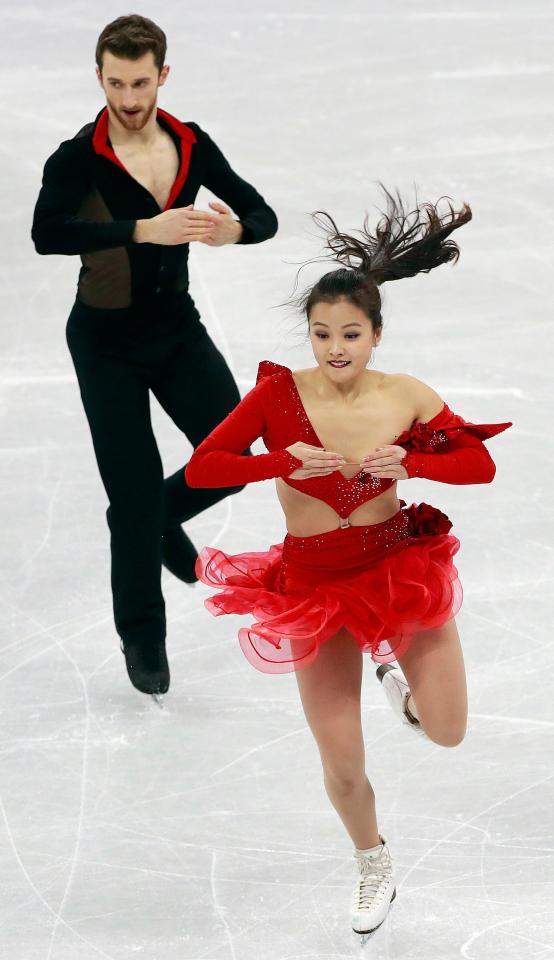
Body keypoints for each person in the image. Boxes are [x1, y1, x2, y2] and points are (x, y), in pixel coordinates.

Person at [184, 190, 512, 936]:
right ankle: (372, 862)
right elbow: (204, 468)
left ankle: (398, 683)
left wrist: (415, 464)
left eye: (350, 333)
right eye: (322, 332)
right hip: (313, 588)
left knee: (449, 730)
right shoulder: (277, 397)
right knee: (340, 762)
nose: (335, 346)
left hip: (397, 570)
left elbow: (479, 464)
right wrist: (277, 461)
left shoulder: (406, 396)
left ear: (376, 335)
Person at [31, 15, 278, 698]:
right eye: (116, 82)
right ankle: (142, 634)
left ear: (162, 76)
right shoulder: (77, 157)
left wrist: (233, 232)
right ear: (100, 76)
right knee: (132, 494)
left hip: (177, 330)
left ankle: (153, 519)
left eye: (140, 82)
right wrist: (145, 228)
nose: (129, 97)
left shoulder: (193, 146)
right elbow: (46, 233)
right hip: (104, 341)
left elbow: (263, 214)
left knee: (232, 458)